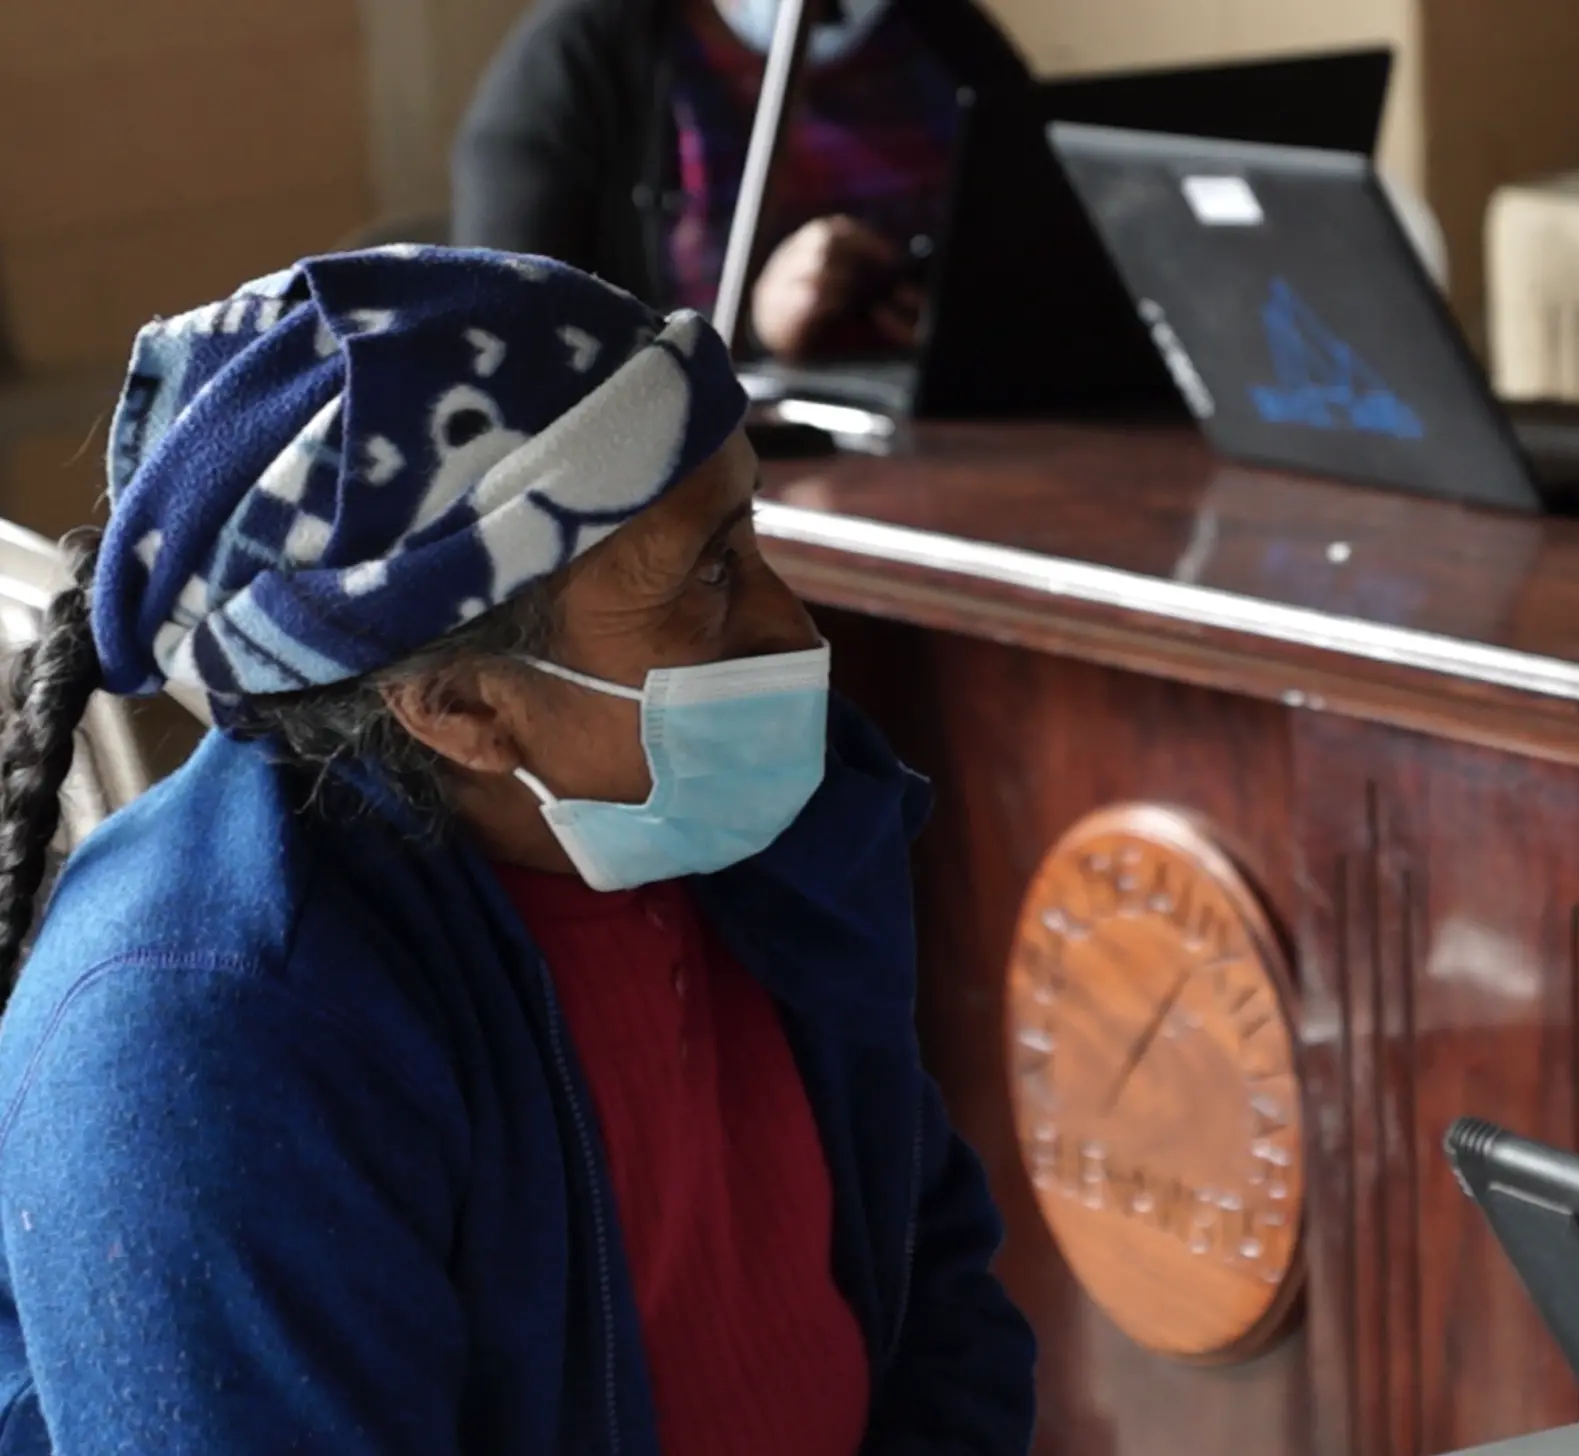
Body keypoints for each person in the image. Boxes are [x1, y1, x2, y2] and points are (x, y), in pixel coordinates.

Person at [0, 247, 1035, 1452]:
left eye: (745, 536)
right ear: (460, 708)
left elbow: (932, 1269)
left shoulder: (744, 823)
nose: (791, 628)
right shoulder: (204, 1035)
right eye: (703, 581)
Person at [453, 0, 1017, 361]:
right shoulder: (579, 57)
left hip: (947, 455)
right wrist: (756, 328)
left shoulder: (946, 39)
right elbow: (508, 341)